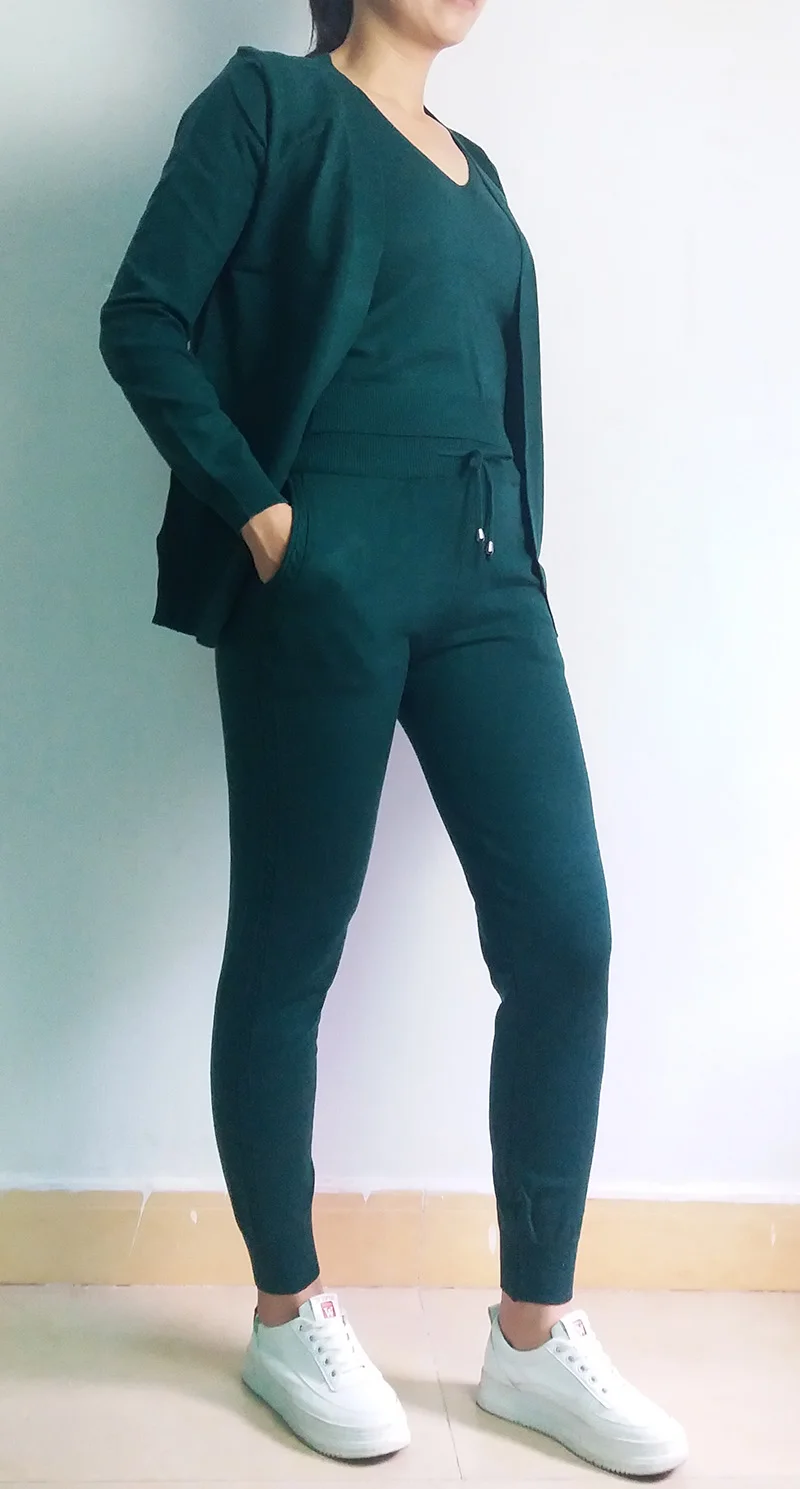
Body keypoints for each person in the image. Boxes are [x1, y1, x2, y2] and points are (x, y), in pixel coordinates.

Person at [98, 0, 688, 1477]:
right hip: (326, 570)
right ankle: (285, 1310)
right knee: (291, 943)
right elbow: (142, 316)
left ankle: (532, 1337)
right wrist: (269, 518)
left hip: (488, 579)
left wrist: (516, 555)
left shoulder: (480, 172)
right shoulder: (269, 106)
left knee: (566, 936)